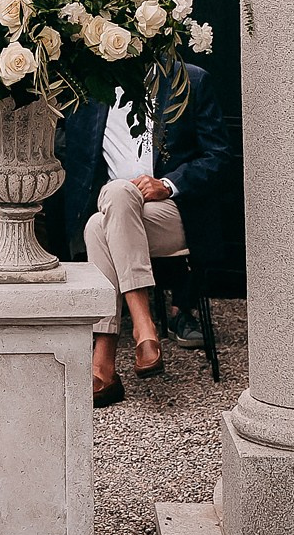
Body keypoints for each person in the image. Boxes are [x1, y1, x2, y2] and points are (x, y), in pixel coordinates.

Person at [82, 58, 233, 407]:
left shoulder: (190, 81)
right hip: (118, 219)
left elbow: (220, 157)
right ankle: (137, 334)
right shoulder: (95, 90)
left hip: (176, 215)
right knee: (102, 216)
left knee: (112, 203)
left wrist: (167, 184)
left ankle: (109, 354)